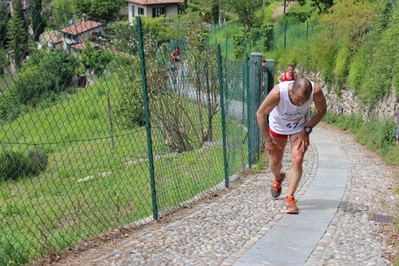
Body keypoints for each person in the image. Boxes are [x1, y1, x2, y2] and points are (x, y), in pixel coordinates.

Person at [256, 78, 327, 214]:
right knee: (275, 162)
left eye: (304, 102)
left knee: (298, 160)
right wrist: (267, 139)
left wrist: (307, 129)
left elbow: (322, 110)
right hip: (278, 128)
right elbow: (260, 114)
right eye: (297, 100)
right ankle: (277, 178)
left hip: (299, 128)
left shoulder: (316, 91)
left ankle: (290, 198)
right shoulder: (278, 93)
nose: (300, 104)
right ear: (290, 92)